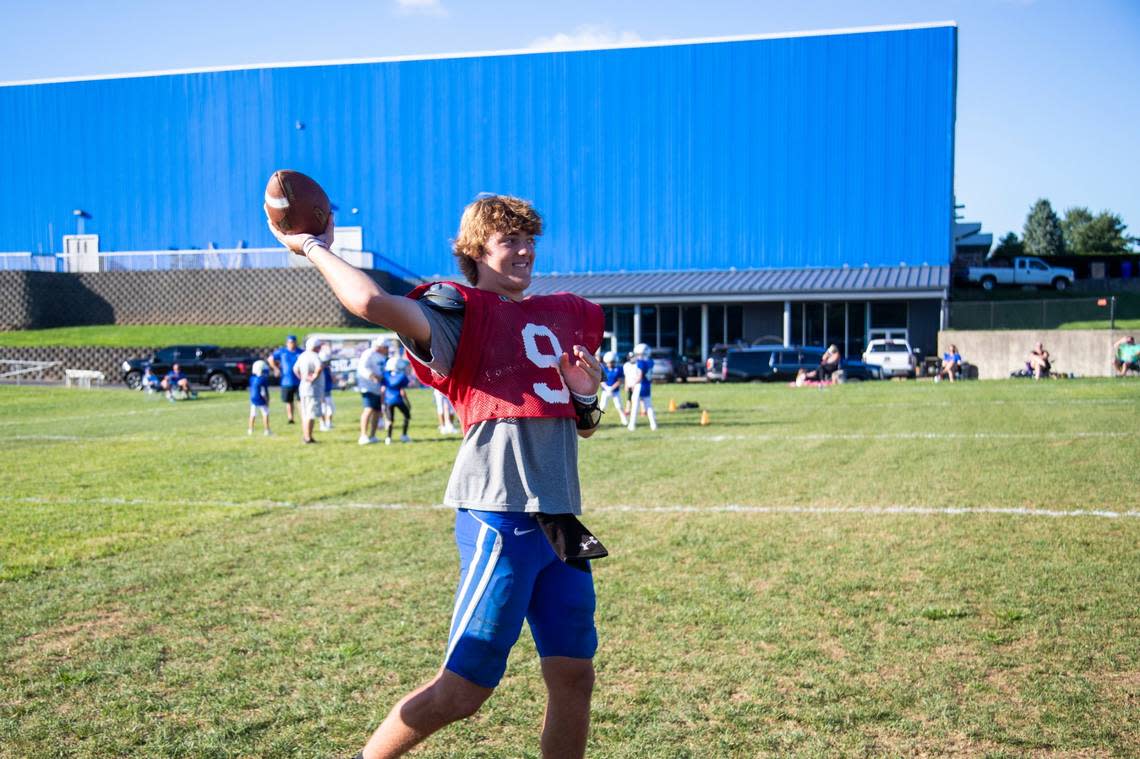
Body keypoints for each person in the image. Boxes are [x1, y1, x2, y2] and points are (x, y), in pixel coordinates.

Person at [267, 192, 605, 759]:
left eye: (529, 240)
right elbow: (371, 300)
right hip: (501, 513)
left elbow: (585, 425)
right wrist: (311, 248)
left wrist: (585, 394)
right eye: (509, 241)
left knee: (574, 677)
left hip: (560, 518)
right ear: (475, 251)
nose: (524, 251)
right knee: (463, 689)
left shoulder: (565, 311)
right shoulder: (456, 308)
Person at [357, 338, 389, 445]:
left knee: (377, 411)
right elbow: (362, 368)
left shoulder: (382, 356)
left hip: (378, 387)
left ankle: (372, 435)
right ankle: (363, 435)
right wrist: (373, 377)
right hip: (368, 386)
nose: (387, 349)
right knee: (369, 409)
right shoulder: (368, 354)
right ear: (380, 347)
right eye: (385, 347)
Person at [292, 336, 324, 444]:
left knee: (305, 413)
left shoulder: (302, 355)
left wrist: (303, 378)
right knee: (310, 414)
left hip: (303, 388)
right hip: (313, 389)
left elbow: (295, 369)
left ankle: (306, 435)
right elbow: (319, 367)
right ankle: (308, 437)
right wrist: (314, 377)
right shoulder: (314, 356)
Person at [269, 335, 304, 424]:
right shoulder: (282, 352)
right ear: (287, 343)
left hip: (299, 380)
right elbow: (270, 359)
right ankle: (290, 418)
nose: (291, 344)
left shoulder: (300, 352)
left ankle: (303, 417)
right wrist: (275, 368)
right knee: (289, 401)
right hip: (286, 381)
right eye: (290, 342)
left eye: (293, 342)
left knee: (300, 400)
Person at [627, 343, 657, 431]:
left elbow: (639, 376)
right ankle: (653, 425)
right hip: (647, 385)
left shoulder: (641, 362)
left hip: (640, 385)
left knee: (635, 406)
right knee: (649, 406)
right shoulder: (651, 361)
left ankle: (632, 425)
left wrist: (633, 384)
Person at [382, 357, 412, 444]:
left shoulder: (386, 375)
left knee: (390, 420)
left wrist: (382, 403)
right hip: (398, 400)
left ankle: (388, 438)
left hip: (388, 401)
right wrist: (408, 402)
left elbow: (383, 390)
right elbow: (402, 392)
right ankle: (404, 435)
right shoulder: (402, 376)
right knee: (407, 416)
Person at [600, 351, 627, 425]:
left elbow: (620, 380)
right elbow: (601, 380)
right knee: (602, 407)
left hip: (615, 391)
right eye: (609, 362)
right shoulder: (604, 369)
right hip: (605, 391)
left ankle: (624, 420)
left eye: (612, 362)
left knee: (619, 406)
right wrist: (606, 387)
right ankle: (597, 421)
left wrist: (612, 388)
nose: (611, 364)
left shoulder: (618, 369)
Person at [247, 360, 271, 435]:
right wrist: (267, 400)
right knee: (265, 413)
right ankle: (267, 430)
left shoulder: (252, 378)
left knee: (252, 414)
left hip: (253, 398)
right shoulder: (263, 379)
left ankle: (250, 430)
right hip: (260, 398)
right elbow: (264, 391)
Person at [319, 343, 336, 432]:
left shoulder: (328, 369)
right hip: (321, 391)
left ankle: (328, 423)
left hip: (328, 390)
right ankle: (322, 424)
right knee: (323, 408)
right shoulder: (319, 369)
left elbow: (333, 380)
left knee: (330, 408)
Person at [622, 351, 639, 417]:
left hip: (636, 384)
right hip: (629, 384)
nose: (631, 359)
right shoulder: (626, 365)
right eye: (630, 357)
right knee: (629, 397)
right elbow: (626, 376)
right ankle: (627, 410)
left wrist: (635, 384)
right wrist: (626, 385)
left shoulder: (637, 365)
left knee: (640, 398)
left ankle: (643, 410)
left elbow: (638, 375)